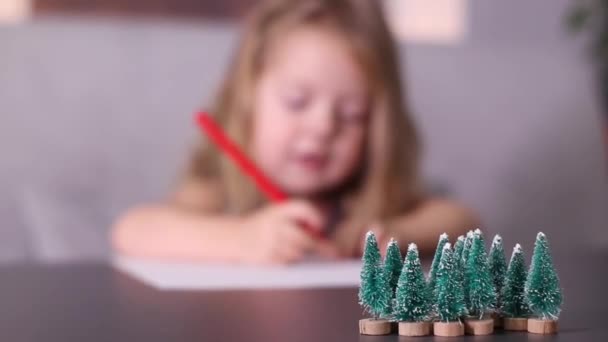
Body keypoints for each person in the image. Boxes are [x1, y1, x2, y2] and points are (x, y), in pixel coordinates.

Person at [112, 0, 477, 264]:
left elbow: (462, 220)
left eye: (352, 114)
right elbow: (131, 230)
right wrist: (240, 240)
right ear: (246, 99)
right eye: (297, 101)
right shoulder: (222, 194)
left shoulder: (364, 205)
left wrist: (398, 232)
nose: (322, 127)